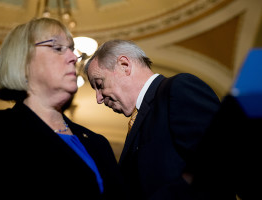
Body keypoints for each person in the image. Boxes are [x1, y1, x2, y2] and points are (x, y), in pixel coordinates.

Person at [0, 18, 126, 200]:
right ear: (23, 61)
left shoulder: (98, 143)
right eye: (57, 48)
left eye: (72, 49)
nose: (74, 57)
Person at [84, 39, 221, 200]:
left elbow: (216, 158)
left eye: (99, 85)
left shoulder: (178, 88)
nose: (98, 99)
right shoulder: (138, 120)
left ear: (124, 65)